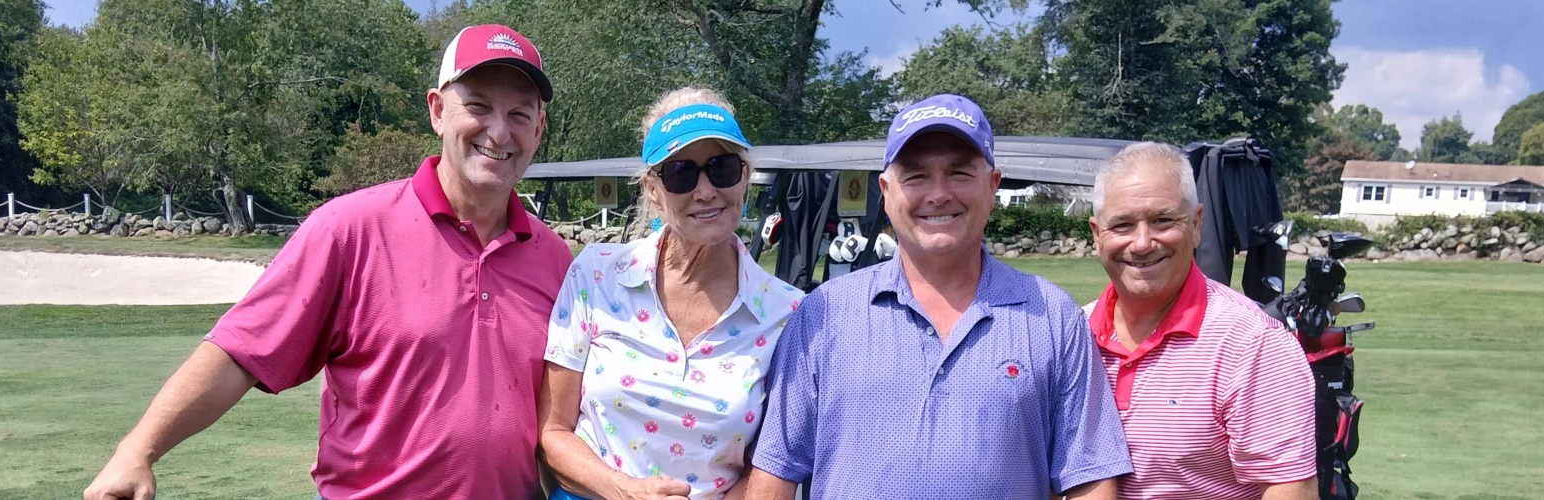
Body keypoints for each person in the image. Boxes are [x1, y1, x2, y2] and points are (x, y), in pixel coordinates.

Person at [82, 24, 570, 500]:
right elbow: (240, 353)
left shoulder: (554, 259)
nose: (499, 131)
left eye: (519, 114)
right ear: (438, 111)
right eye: (478, 106)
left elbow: (562, 423)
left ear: (538, 129)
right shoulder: (349, 229)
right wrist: (138, 451)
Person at [740, 94, 1131, 500]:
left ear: (992, 186)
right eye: (916, 176)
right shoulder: (824, 314)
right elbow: (776, 471)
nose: (939, 194)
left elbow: (1090, 479)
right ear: (886, 192)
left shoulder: (1053, 316)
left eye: (959, 173)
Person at [538, 88, 806, 500]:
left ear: (744, 176)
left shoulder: (787, 313)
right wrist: (627, 491)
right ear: (652, 189)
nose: (705, 190)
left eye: (722, 168)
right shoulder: (597, 274)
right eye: (681, 172)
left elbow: (772, 469)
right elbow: (553, 431)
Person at [1081, 142, 1317, 500]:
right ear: (1097, 235)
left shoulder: (1253, 344)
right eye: (1123, 225)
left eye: (1162, 220)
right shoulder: (1072, 334)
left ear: (1196, 224)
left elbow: (1290, 489)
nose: (1142, 243)